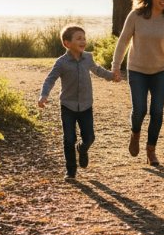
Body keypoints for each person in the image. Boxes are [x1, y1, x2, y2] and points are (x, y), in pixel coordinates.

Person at [112, 0, 164, 167]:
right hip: (137, 69)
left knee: (157, 111)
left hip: (161, 70)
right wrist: (116, 66)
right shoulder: (136, 15)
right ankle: (135, 132)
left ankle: (151, 151)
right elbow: (123, 41)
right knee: (139, 110)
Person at [38, 25, 120, 179]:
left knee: (89, 137)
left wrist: (111, 76)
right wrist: (44, 95)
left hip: (86, 105)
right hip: (67, 106)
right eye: (78, 38)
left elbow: (98, 70)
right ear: (67, 43)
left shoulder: (88, 58)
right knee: (69, 139)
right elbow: (50, 79)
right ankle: (71, 170)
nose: (83, 41)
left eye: (84, 38)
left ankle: (82, 149)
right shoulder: (61, 62)